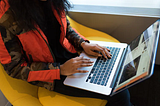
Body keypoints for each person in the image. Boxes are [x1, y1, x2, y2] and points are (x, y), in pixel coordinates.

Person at [0, 0, 132, 106]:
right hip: (50, 73)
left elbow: (65, 27)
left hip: (72, 54)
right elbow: (14, 68)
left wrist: (82, 43)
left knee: (118, 67)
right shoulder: (5, 17)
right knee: (118, 92)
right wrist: (60, 69)